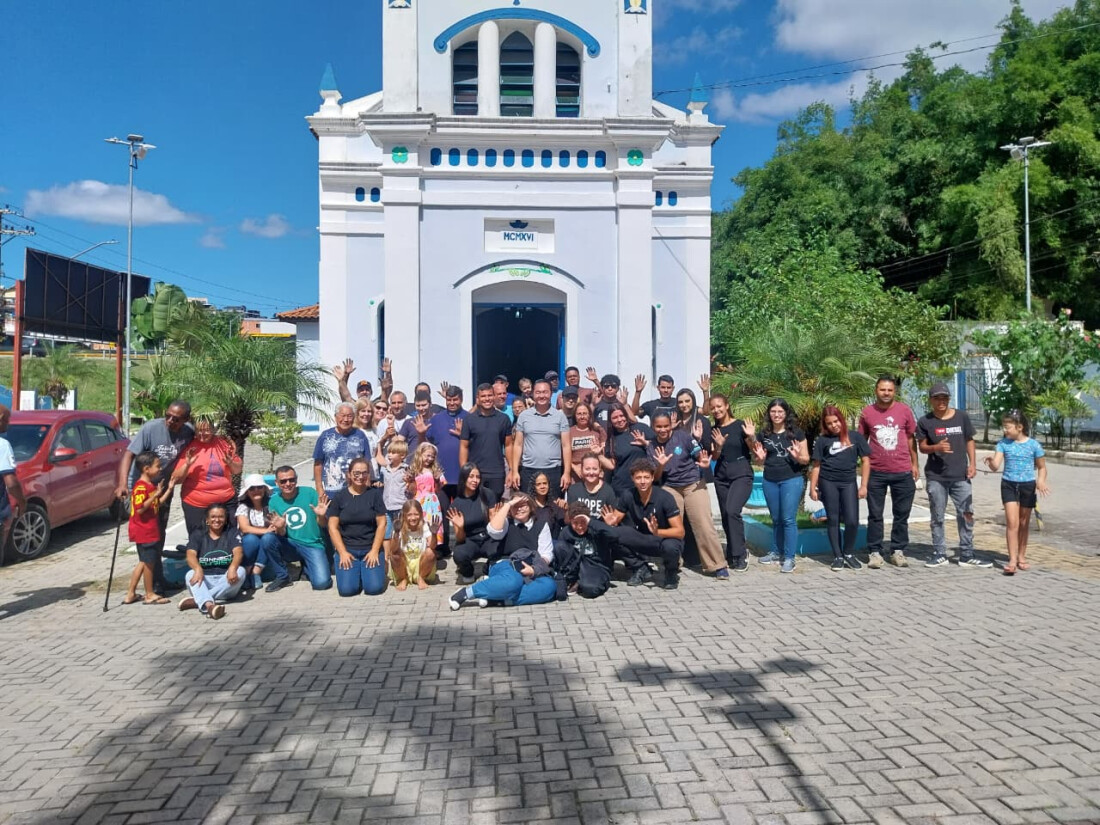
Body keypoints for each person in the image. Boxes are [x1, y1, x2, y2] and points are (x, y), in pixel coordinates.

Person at [116, 400, 194, 595]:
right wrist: (123, 483)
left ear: (185, 420)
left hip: (162, 490)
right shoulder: (151, 428)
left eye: (176, 419)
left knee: (159, 534)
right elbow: (128, 455)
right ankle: (150, 586)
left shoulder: (188, 432)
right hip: (143, 489)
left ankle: (158, 580)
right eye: (168, 415)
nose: (169, 420)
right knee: (148, 537)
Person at [916, 382, 991, 569]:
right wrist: (936, 447)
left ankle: (966, 553)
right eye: (937, 398)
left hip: (960, 475)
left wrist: (972, 464)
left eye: (944, 398)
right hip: (936, 476)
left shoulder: (961, 417)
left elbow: (969, 440)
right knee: (937, 516)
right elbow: (922, 447)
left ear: (949, 399)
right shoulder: (926, 421)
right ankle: (939, 553)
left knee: (966, 513)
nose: (941, 401)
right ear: (931, 400)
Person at [645, 412, 728, 579]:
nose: (663, 430)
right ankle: (673, 563)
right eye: (659, 427)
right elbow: (656, 477)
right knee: (672, 528)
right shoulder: (651, 446)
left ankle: (717, 565)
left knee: (703, 523)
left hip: (693, 484)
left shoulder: (683, 437)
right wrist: (660, 465)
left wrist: (704, 463)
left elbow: (699, 454)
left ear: (671, 425)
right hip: (670, 487)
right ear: (653, 427)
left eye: (666, 426)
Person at [858, 376, 919, 569]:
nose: (886, 393)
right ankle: (875, 552)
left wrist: (915, 463)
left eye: (890, 390)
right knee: (875, 514)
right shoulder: (867, 412)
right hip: (876, 471)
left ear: (894, 392)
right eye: (883, 390)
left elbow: (910, 439)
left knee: (901, 514)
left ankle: (897, 550)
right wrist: (861, 466)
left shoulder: (904, 411)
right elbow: (862, 440)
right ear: (876, 390)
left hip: (902, 470)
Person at [983, 410, 1050, 576]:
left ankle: (1022, 556)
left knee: (1023, 523)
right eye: (1004, 427)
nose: (1005, 430)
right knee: (1012, 523)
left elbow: (1042, 467)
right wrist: (991, 462)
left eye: (1007, 427)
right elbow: (996, 466)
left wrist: (1041, 481)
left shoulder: (1034, 445)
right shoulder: (1003, 444)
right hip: (1009, 485)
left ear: (1019, 427)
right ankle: (1012, 560)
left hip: (1027, 485)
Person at [603, 458, 684, 589]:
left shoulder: (665, 497)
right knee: (611, 534)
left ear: (652, 477)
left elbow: (680, 532)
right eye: (638, 477)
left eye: (646, 477)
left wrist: (658, 532)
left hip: (664, 538)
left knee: (671, 547)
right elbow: (616, 518)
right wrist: (611, 522)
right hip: (643, 538)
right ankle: (640, 567)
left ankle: (671, 572)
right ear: (632, 478)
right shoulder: (628, 494)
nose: (642, 481)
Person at [809, 406, 870, 571]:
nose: (834, 425)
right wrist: (812, 488)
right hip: (828, 483)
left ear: (841, 420)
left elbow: (865, 461)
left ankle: (849, 553)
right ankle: (837, 556)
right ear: (825, 425)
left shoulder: (855, 437)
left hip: (848, 482)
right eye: (829, 423)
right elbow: (816, 465)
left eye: (836, 421)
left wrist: (864, 485)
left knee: (852, 520)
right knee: (833, 519)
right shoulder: (822, 441)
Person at [752, 398, 808, 574]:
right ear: (769, 413)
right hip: (770, 480)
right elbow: (759, 460)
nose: (776, 415)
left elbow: (806, 459)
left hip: (791, 479)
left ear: (786, 413)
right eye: (773, 411)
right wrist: (759, 457)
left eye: (780, 412)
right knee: (776, 519)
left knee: (788, 519)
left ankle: (790, 557)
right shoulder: (764, 434)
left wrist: (798, 456)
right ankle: (776, 552)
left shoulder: (796, 434)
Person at [171, 415, 242, 535]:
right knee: (198, 540)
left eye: (207, 430)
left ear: (213, 429)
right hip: (196, 503)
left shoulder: (223, 444)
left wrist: (230, 463)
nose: (203, 434)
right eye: (199, 430)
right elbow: (176, 479)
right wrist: (187, 465)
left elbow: (237, 470)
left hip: (226, 500)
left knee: (230, 537)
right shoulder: (189, 447)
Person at [327, 456, 388, 596]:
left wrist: (374, 551)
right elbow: (332, 527)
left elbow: (382, 524)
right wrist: (342, 552)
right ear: (349, 474)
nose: (360, 476)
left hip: (370, 548)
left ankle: (365, 573)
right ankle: (357, 574)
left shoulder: (374, 494)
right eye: (356, 473)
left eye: (364, 473)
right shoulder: (339, 497)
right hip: (348, 549)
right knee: (347, 591)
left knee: (374, 589)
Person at [709, 394, 756, 572]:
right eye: (713, 407)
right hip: (721, 474)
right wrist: (719, 446)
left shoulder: (741, 425)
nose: (716, 410)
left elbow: (754, 449)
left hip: (741, 472)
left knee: (732, 511)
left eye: (719, 406)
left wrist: (751, 436)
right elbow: (714, 456)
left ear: (727, 406)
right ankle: (732, 551)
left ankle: (741, 554)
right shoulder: (714, 430)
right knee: (726, 516)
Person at [120, 452, 174, 605]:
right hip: (144, 531)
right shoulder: (140, 487)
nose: (160, 469)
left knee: (144, 562)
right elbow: (140, 509)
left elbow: (157, 504)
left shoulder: (149, 485)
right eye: (157, 466)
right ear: (146, 469)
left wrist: (167, 490)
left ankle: (130, 593)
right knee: (149, 564)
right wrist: (154, 495)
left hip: (150, 530)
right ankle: (149, 593)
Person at [269, 465, 333, 590]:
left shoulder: (309, 493)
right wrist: (281, 527)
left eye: (291, 480)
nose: (288, 484)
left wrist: (321, 516)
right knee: (268, 539)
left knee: (322, 584)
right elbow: (281, 533)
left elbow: (323, 525)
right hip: (291, 545)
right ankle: (283, 576)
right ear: (277, 483)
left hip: (313, 544)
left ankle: (307, 567)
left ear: (296, 480)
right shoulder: (274, 501)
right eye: (283, 481)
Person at [178, 503, 245, 620]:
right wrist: (198, 569)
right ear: (207, 520)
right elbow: (190, 554)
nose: (217, 520)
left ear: (225, 519)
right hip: (204, 579)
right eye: (213, 517)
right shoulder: (198, 534)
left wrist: (233, 568)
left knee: (241, 571)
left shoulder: (232, 532)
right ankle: (210, 606)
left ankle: (198, 600)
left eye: (221, 517)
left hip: (226, 580)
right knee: (190, 574)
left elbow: (238, 551)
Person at [511, 379, 571, 494]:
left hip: (553, 471)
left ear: (551, 393)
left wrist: (566, 473)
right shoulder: (524, 416)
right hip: (528, 470)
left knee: (554, 508)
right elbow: (518, 445)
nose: (542, 396)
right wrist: (514, 471)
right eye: (538, 392)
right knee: (528, 508)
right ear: (533, 393)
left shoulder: (560, 416)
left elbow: (566, 446)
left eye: (545, 392)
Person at [235, 474, 292, 592]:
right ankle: (247, 570)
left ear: (264, 489)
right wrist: (265, 530)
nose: (256, 491)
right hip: (250, 545)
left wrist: (270, 530)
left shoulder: (272, 504)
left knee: (268, 538)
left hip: (268, 545)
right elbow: (244, 528)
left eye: (259, 487)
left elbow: (277, 527)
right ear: (247, 492)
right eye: (252, 488)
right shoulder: (243, 507)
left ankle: (256, 571)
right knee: (251, 539)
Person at [458, 383, 514, 499]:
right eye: (483, 396)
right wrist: (465, 471)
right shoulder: (469, 420)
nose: (487, 399)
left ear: (494, 396)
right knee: (476, 507)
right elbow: (464, 446)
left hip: (497, 473)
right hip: (475, 473)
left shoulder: (503, 419)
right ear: (477, 399)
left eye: (490, 395)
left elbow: (508, 445)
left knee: (496, 508)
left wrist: (512, 470)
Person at [449, 463, 501, 583]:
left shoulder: (487, 494)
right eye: (471, 476)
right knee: (459, 554)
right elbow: (460, 539)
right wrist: (460, 527)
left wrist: (497, 518)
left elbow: (494, 525)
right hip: (470, 540)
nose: (475, 480)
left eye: (478, 477)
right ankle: (468, 572)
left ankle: (489, 569)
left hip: (488, 537)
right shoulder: (456, 503)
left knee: (500, 548)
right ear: (464, 478)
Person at [313, 402, 371, 499]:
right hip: (331, 493)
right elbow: (318, 463)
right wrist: (319, 488)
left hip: (357, 491)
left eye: (349, 416)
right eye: (342, 416)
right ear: (335, 417)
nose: (346, 419)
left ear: (354, 417)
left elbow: (367, 462)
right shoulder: (325, 436)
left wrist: (367, 484)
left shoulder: (360, 436)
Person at [388, 498, 439, 590]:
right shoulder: (399, 526)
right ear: (404, 515)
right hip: (404, 562)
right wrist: (396, 533)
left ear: (420, 514)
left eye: (416, 514)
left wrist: (434, 534)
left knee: (431, 552)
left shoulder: (424, 526)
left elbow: (432, 546)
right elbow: (393, 550)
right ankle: (403, 578)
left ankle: (421, 578)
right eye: (409, 515)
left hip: (421, 563)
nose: (413, 518)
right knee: (394, 555)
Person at [602, 405, 653, 495]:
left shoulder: (640, 428)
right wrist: (597, 455)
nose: (619, 419)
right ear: (610, 421)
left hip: (643, 485)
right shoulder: (611, 440)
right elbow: (611, 466)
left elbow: (660, 445)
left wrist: (645, 443)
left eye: (621, 416)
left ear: (626, 415)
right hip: (621, 489)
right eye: (615, 417)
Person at [0, 404, 27, 553]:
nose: (8, 424)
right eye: (7, 421)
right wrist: (22, 501)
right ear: (1, 419)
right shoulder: (2, 445)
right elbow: (10, 482)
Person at [409, 442, 445, 544]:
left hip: (432, 503)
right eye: (427, 455)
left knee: (431, 524)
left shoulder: (435, 470)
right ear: (420, 454)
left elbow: (438, 490)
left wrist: (437, 480)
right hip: (418, 502)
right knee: (419, 524)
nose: (429, 459)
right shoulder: (414, 470)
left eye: (432, 457)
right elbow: (411, 491)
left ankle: (432, 547)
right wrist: (411, 480)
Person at [566, 454, 618, 520]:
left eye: (595, 469)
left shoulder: (608, 491)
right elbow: (569, 519)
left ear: (600, 470)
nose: (591, 473)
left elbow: (613, 520)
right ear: (581, 470)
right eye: (587, 469)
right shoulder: (574, 490)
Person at [378, 437, 411, 539]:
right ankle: (388, 554)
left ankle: (400, 553)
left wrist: (410, 480)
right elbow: (378, 458)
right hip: (387, 506)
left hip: (400, 506)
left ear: (402, 455)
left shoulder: (406, 469)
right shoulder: (384, 469)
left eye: (393, 453)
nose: (389, 455)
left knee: (401, 532)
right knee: (387, 534)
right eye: (389, 452)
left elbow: (410, 485)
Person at [567, 402, 605, 480]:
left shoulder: (596, 431)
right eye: (579, 414)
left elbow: (603, 453)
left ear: (589, 415)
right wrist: (574, 467)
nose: (582, 416)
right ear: (575, 415)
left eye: (585, 413)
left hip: (594, 474)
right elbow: (564, 456)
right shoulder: (569, 432)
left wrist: (600, 428)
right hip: (576, 475)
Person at [529, 471, 565, 538]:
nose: (542, 486)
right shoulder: (528, 505)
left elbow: (565, 522)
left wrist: (566, 510)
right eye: (538, 484)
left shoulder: (555, 505)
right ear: (533, 487)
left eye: (545, 483)